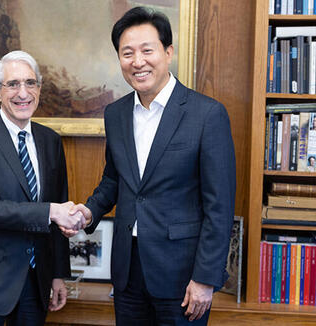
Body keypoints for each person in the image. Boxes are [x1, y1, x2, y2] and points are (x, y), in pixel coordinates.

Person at [66, 7, 236, 325]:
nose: (138, 61)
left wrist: (205, 278)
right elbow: (115, 180)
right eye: (127, 53)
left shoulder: (206, 114)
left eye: (148, 50)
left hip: (184, 277)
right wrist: (88, 212)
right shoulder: (115, 114)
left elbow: (220, 207)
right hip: (128, 273)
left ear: (168, 52)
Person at [0, 50, 86, 326]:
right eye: (12, 84)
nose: (22, 93)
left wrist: (59, 274)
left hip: (35, 281)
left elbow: (60, 203)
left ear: (39, 89)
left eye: (30, 83)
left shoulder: (50, 141)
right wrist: (51, 211)